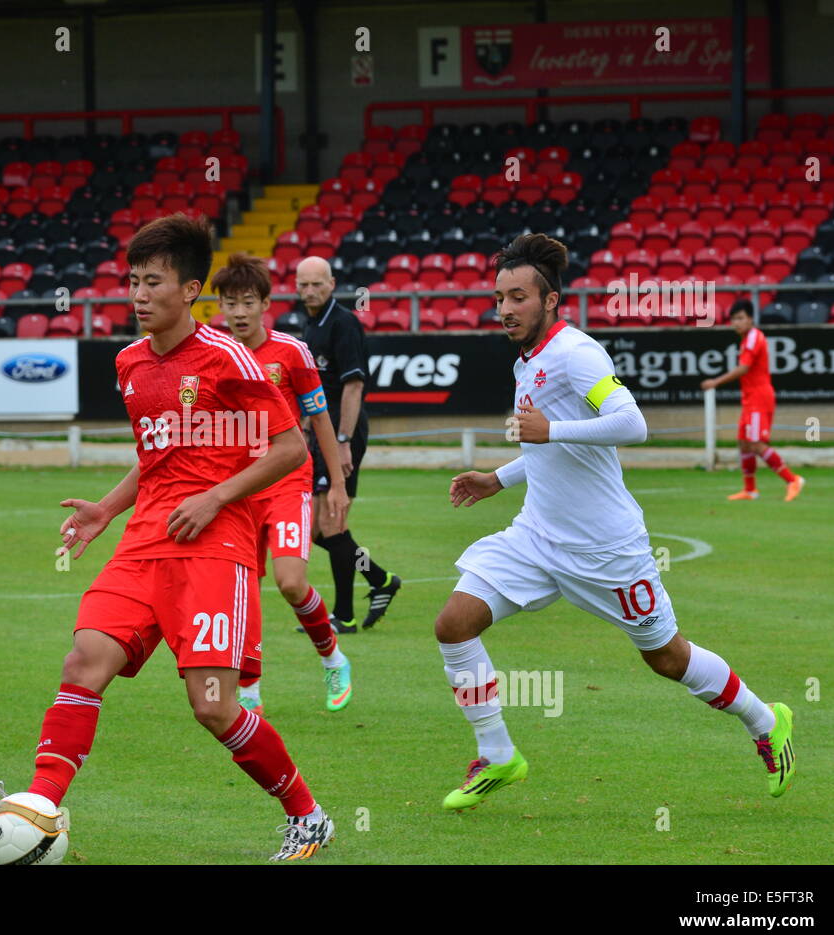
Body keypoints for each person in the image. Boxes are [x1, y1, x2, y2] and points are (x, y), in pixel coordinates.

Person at [0, 215, 334, 861]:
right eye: (131, 281)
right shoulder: (130, 362)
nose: (136, 294)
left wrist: (215, 496)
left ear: (189, 289)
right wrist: (106, 507)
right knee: (84, 662)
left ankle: (308, 816)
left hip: (215, 548)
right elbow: (157, 456)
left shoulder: (228, 357)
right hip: (142, 546)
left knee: (213, 705)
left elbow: (290, 447)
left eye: (151, 282)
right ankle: (41, 801)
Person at [433, 233, 795, 810]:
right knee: (454, 624)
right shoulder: (528, 360)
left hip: (606, 549)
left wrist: (550, 431)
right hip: (536, 537)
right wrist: (496, 479)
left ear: (550, 301)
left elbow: (631, 424)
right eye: (499, 297)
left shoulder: (577, 353)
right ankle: (499, 755)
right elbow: (548, 450)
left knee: (667, 657)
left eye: (518, 297)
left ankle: (764, 720)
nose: (504, 309)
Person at [214, 252, 353, 714]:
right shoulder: (212, 353)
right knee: (243, 589)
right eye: (229, 303)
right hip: (238, 488)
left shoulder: (291, 352)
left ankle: (332, 657)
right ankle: (250, 690)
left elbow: (320, 418)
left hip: (288, 481)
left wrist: (336, 484)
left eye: (247, 302)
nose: (238, 312)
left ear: (266, 304)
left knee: (291, 582)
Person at [293, 255, 401, 632]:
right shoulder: (309, 325)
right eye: (302, 284)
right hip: (320, 432)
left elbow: (354, 386)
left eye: (316, 284)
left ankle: (345, 615)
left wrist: (342, 442)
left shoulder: (343, 324)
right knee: (319, 530)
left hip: (343, 432)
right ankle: (380, 581)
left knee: (332, 525)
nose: (309, 291)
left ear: (331, 283)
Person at [701, 299, 805, 502]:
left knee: (756, 443)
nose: (736, 323)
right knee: (744, 443)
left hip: (759, 397)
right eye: (733, 319)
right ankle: (750, 490)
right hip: (750, 398)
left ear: (750, 319)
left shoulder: (753, 337)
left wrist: (715, 382)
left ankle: (793, 480)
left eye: (740, 318)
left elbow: (743, 369)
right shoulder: (746, 339)